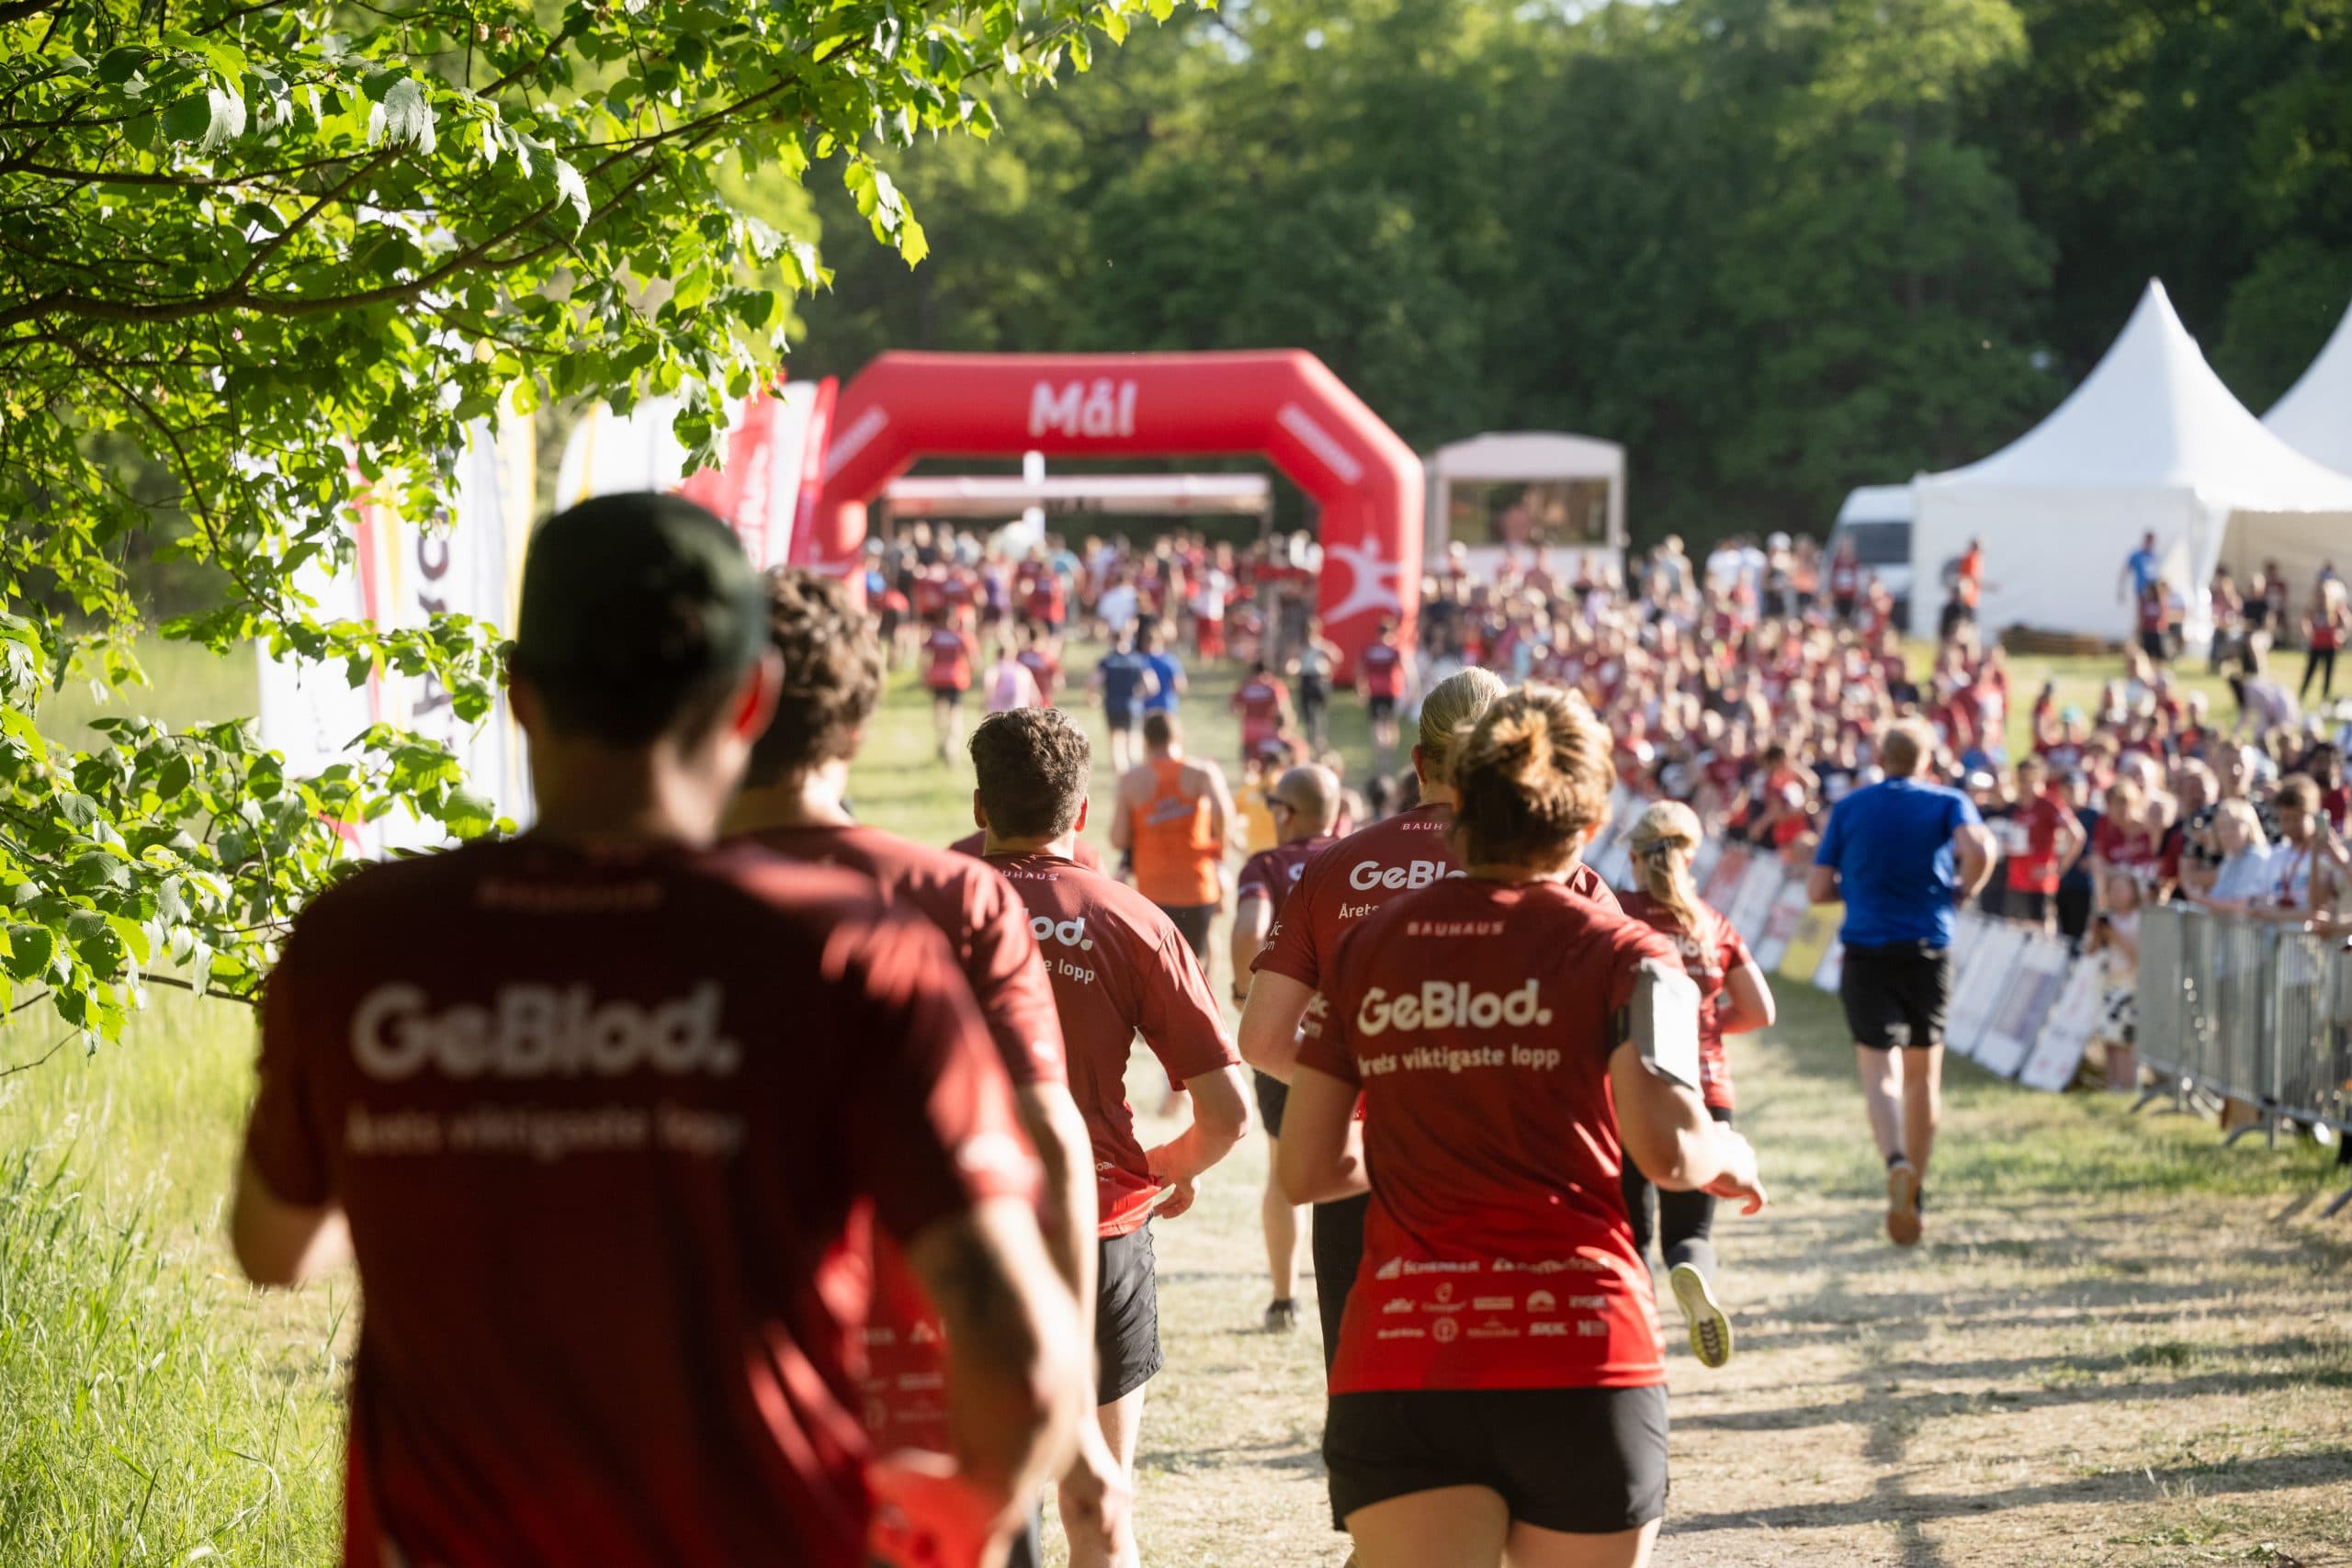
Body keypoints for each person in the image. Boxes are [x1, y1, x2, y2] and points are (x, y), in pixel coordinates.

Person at [230, 495, 1084, 1568]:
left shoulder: (361, 939)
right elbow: (1026, 1367)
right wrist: (955, 1523)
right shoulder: (852, 952)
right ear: (750, 700)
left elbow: (274, 1247)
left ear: (519, 693)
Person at [1277, 686, 1766, 1568]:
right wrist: (1727, 1151)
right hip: (1578, 1348)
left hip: (1406, 1352)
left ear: (1457, 798)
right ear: (1592, 818)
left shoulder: (1364, 950)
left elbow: (1306, 1169)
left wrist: (1424, 1143)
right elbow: (1668, 1148)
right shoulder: (1633, 953)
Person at [721, 570, 1125, 1566]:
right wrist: (1072, 1399)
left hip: (703, 1409)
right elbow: (1051, 1140)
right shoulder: (957, 894)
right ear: (858, 727)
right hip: (929, 1406)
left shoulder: (628, 904)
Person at [968, 708, 1253, 1568]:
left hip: (959, 1228)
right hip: (1100, 1226)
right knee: (1100, 1506)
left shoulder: (926, 906)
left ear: (981, 807)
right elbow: (1229, 1112)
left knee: (974, 1507)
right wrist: (1162, 1169)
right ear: (1084, 812)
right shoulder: (1131, 916)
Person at [1807, 716, 1996, 1247]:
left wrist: (1856, 889)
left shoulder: (1850, 808)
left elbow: (1817, 889)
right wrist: (1964, 889)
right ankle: (1916, 1192)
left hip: (1867, 948)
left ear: (1879, 757)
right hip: (1927, 948)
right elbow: (1980, 848)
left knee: (1879, 1075)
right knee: (1922, 1078)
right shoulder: (1947, 801)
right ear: (1927, 761)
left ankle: (1895, 1161)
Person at [1620, 800, 1775, 1371]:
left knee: (1629, 1231)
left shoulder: (1616, 914)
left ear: (1634, 857)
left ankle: (1636, 1342)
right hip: (1706, 1090)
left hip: (1630, 1087)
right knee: (1691, 1231)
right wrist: (1706, 1023)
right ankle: (1692, 1271)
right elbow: (1761, 1010)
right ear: (1690, 858)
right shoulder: (1712, 923)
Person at [1227, 763, 1343, 1336]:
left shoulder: (1266, 865)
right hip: (1350, 1036)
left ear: (1287, 813)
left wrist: (1244, 991)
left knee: (1282, 1169)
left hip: (1288, 1037)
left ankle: (1284, 1300)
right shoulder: (1355, 859)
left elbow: (1250, 930)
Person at [1111, 713, 1233, 972]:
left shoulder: (1131, 781)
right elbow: (1224, 813)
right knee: (1199, 956)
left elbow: (1118, 838)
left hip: (1153, 891)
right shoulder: (1201, 773)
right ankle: (1205, 995)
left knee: (1161, 966)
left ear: (1146, 741)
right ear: (1178, 737)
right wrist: (1220, 850)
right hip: (1197, 885)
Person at [2002, 755, 2086, 933]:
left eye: (2029, 780)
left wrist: (2057, 869)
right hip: (2016, 880)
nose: (2024, 785)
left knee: (2039, 933)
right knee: (2013, 931)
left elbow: (2077, 835)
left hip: (2039, 883)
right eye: (2021, 780)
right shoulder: (2017, 807)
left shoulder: (2049, 804)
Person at [1091, 628, 1159, 775]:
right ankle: (1136, 773)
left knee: (1116, 742)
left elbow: (1093, 683)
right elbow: (1152, 686)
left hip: (1113, 705)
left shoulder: (1107, 661)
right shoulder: (1138, 660)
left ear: (1112, 640)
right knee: (1134, 740)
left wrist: (1094, 698)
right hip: (1133, 706)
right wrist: (1140, 695)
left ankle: (1121, 776)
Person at [921, 608, 980, 761]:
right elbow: (974, 659)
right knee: (955, 713)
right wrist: (970, 672)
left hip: (938, 677)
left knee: (940, 712)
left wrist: (924, 675)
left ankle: (940, 741)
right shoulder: (961, 636)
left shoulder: (936, 635)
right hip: (956, 678)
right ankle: (951, 747)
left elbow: (925, 656)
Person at [1359, 617, 1413, 761]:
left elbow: (1360, 670)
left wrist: (1360, 689)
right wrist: (1411, 689)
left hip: (1374, 691)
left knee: (1377, 725)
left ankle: (1379, 756)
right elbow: (1406, 670)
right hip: (1392, 691)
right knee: (1391, 723)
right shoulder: (1395, 650)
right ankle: (1388, 755)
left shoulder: (1370, 650)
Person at [1291, 618, 1344, 750]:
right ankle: (1313, 740)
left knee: (1319, 712)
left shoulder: (1321, 646)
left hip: (1318, 679)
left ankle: (1319, 740)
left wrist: (1330, 672)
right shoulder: (1303, 647)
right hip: (1306, 679)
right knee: (1309, 714)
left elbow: (1337, 657)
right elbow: (1294, 663)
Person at [1230, 659, 1295, 767]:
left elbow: (1233, 708)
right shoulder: (1274, 686)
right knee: (1271, 763)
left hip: (1249, 729)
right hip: (1268, 729)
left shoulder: (1246, 686)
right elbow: (1282, 708)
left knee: (1250, 761)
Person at [2302, 579, 2347, 704]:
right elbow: (2305, 621)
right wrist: (2307, 631)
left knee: (2328, 673)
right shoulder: (2314, 609)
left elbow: (2345, 623)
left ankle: (2324, 699)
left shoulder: (2334, 608)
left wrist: (2341, 635)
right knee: (2310, 671)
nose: (2321, 598)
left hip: (2330, 645)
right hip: (2317, 644)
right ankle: (2302, 695)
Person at [1138, 622, 1187, 718]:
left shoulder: (1141, 661)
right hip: (1168, 707)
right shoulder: (1171, 661)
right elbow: (1179, 685)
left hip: (1147, 709)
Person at [985, 639, 1046, 715]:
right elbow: (1036, 697)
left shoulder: (994, 669)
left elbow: (989, 689)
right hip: (1020, 713)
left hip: (999, 714)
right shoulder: (1023, 670)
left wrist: (986, 705)